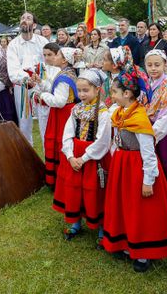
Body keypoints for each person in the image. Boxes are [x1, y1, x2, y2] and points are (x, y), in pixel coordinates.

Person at [101, 68, 167, 273]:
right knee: (125, 205)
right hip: (123, 164)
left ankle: (144, 251)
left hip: (137, 168)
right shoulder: (120, 112)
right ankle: (125, 243)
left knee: (141, 209)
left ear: (126, 94)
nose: (111, 95)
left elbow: (149, 153)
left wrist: (148, 180)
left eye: (114, 92)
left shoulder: (139, 118)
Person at [53, 68, 111, 244]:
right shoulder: (76, 109)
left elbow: (103, 140)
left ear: (97, 90)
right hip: (75, 155)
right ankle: (75, 221)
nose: (82, 94)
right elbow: (68, 133)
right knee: (74, 188)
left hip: (94, 157)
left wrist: (84, 158)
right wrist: (70, 156)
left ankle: (101, 226)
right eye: (79, 91)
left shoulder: (102, 112)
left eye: (86, 90)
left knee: (95, 190)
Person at [37, 44, 79, 189]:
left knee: (60, 142)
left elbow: (59, 101)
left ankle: (59, 180)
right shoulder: (67, 72)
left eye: (58, 55)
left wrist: (41, 95)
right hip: (65, 112)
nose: (55, 57)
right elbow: (56, 89)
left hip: (62, 114)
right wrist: (41, 83)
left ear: (64, 60)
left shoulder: (63, 77)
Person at [143, 49, 167, 197]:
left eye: (157, 65)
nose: (153, 68)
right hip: (147, 129)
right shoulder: (147, 84)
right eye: (150, 65)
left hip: (163, 134)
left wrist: (152, 136)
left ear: (165, 65)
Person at [6, 11, 49, 145]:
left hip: (41, 84)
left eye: (28, 18)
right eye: (22, 18)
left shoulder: (42, 41)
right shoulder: (13, 44)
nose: (24, 20)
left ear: (34, 24)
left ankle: (47, 154)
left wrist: (40, 78)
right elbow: (13, 69)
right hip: (23, 86)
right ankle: (27, 154)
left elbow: (49, 62)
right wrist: (26, 77)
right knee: (24, 121)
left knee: (44, 117)